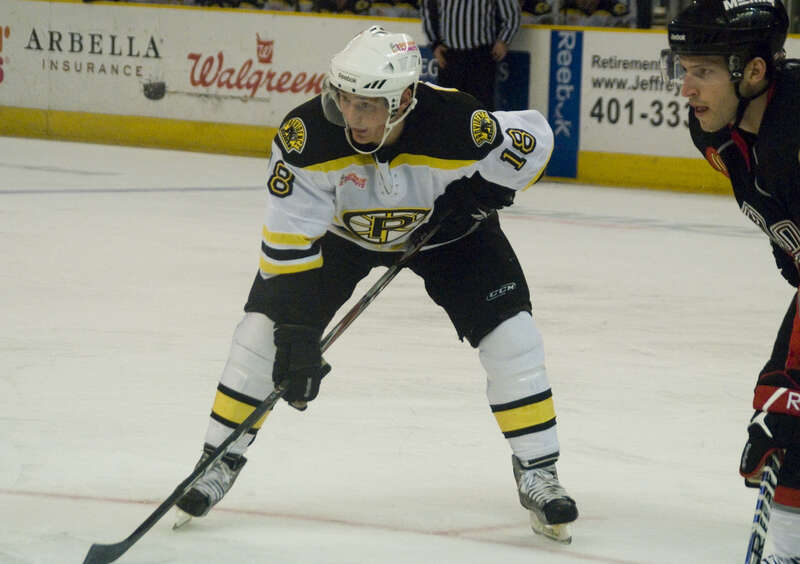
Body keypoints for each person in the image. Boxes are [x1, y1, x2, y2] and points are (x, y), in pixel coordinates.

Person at [174, 25, 579, 543]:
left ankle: (538, 470)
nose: (353, 118)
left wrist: (481, 194)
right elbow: (288, 247)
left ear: (405, 98)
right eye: (345, 100)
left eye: (369, 106)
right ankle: (217, 460)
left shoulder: (459, 122)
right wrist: (296, 333)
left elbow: (534, 140)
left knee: (514, 336)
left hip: (448, 236)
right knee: (261, 333)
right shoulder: (306, 138)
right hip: (343, 237)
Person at [662, 0, 800, 561]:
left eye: (704, 72)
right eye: (684, 70)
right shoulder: (716, 134)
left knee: (786, 404)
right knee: (783, 416)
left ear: (756, 71)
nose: (686, 89)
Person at [421, 0, 521, 111]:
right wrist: (434, 44)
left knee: (481, 109)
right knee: (448, 108)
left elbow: (512, 14)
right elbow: (427, 9)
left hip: (481, 57)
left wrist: (503, 40)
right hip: (450, 57)